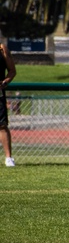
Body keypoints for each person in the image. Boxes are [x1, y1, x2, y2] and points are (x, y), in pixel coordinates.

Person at [0, 31, 16, 167]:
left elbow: (12, 71)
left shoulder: (2, 50)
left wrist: (5, 82)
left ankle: (8, 158)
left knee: (2, 125)